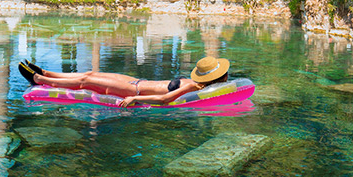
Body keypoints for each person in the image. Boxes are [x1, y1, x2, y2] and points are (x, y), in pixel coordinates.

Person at [18, 56, 230, 108]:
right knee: (90, 73)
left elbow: (165, 99)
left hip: (133, 90)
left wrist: (133, 100)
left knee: (86, 81)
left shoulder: (193, 86)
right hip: (136, 82)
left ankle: (39, 78)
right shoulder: (194, 84)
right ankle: (45, 71)